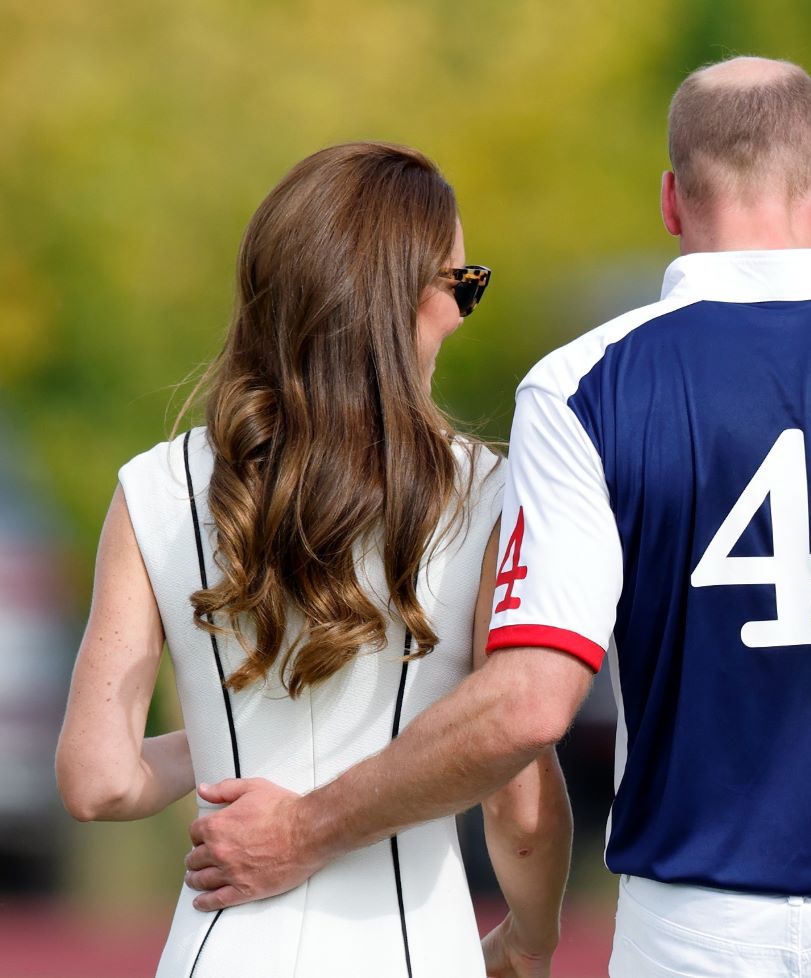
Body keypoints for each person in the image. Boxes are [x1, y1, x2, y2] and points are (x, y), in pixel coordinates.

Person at [182, 59, 811, 977]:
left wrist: (305, 830)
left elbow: (529, 702)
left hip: (693, 926)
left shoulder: (581, 385)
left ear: (673, 201)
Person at [54, 142, 572, 978]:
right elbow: (519, 804)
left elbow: (97, 780)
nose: (463, 311)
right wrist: (532, 940)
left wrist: (235, 751)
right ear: (406, 301)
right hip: (413, 949)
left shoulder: (153, 486)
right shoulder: (494, 493)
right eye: (464, 285)